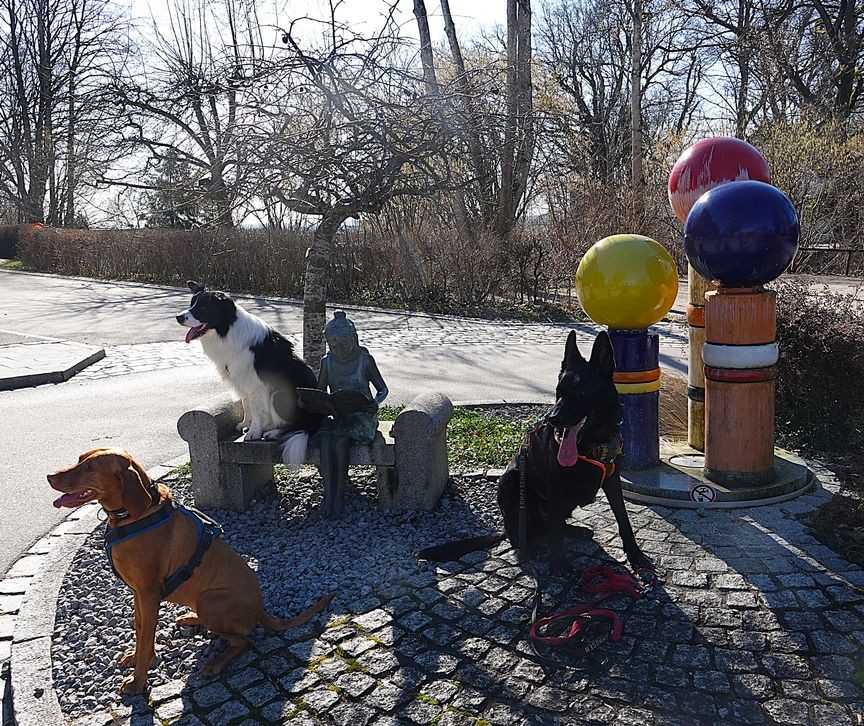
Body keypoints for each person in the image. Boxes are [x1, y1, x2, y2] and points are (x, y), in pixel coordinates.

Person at [314, 311, 388, 518]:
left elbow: (382, 389)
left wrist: (375, 402)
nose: (339, 351)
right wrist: (316, 402)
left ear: (354, 339)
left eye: (344, 345)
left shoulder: (365, 360)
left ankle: (339, 495)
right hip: (338, 416)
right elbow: (321, 392)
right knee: (325, 440)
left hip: (362, 417)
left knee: (340, 440)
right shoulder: (327, 362)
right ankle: (328, 494)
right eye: (334, 346)